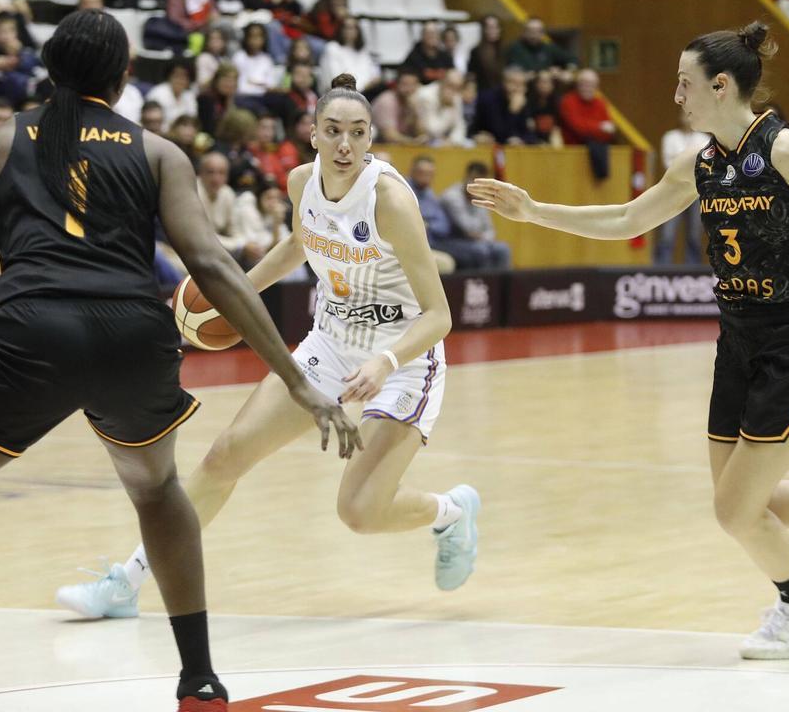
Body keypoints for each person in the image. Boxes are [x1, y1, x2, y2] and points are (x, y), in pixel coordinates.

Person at [0, 9, 358, 712]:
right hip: (133, 340)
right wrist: (296, 379)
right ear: (122, 80)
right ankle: (199, 676)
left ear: (49, 71)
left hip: (29, 337)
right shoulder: (158, 153)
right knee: (157, 491)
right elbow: (211, 264)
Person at [470, 21, 789, 660]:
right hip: (736, 341)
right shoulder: (699, 163)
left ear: (721, 85)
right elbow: (626, 219)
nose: (677, 96)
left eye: (685, 83)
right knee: (751, 499)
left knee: (734, 509)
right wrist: (534, 210)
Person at [56, 73, 482, 621]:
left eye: (357, 132)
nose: (345, 144)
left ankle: (451, 512)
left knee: (358, 510)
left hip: (403, 357)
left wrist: (386, 360)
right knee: (224, 455)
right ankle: (127, 582)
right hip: (330, 345)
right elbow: (301, 242)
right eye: (333, 131)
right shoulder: (302, 182)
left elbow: (440, 314)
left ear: (372, 137)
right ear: (313, 135)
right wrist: (232, 293)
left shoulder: (391, 201)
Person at [655, 108, 710, 264]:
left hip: (696, 191)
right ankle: (661, 270)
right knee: (667, 234)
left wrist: (680, 160)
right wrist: (689, 164)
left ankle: (692, 271)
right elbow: (668, 163)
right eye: (684, 114)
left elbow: (704, 165)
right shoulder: (670, 137)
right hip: (672, 191)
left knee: (694, 235)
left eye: (691, 113)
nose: (687, 117)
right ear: (680, 116)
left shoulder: (704, 138)